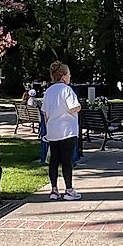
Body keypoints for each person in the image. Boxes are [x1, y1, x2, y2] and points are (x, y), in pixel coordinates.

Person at [40, 61, 82, 200]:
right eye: (69, 74)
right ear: (63, 76)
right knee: (66, 161)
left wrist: (49, 128)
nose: (70, 76)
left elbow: (45, 113)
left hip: (53, 131)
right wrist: (79, 107)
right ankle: (69, 190)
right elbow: (72, 107)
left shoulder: (48, 91)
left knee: (54, 161)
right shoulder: (66, 90)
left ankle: (54, 190)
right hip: (67, 131)